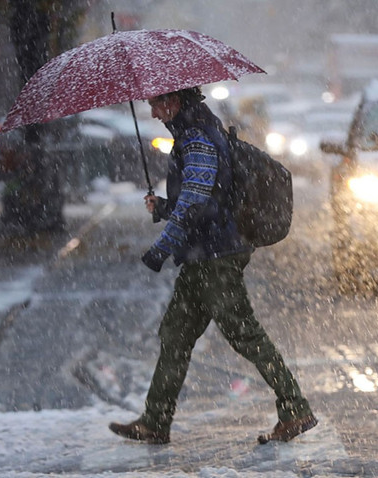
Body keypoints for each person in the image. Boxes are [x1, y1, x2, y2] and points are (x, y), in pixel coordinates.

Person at [108, 87, 317, 444]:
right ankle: (155, 420)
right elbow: (201, 199)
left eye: (157, 104)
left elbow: (195, 203)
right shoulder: (195, 133)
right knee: (175, 334)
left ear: (174, 100)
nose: (154, 113)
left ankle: (295, 408)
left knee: (244, 334)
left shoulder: (198, 139)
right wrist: (162, 207)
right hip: (202, 255)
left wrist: (161, 248)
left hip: (216, 256)